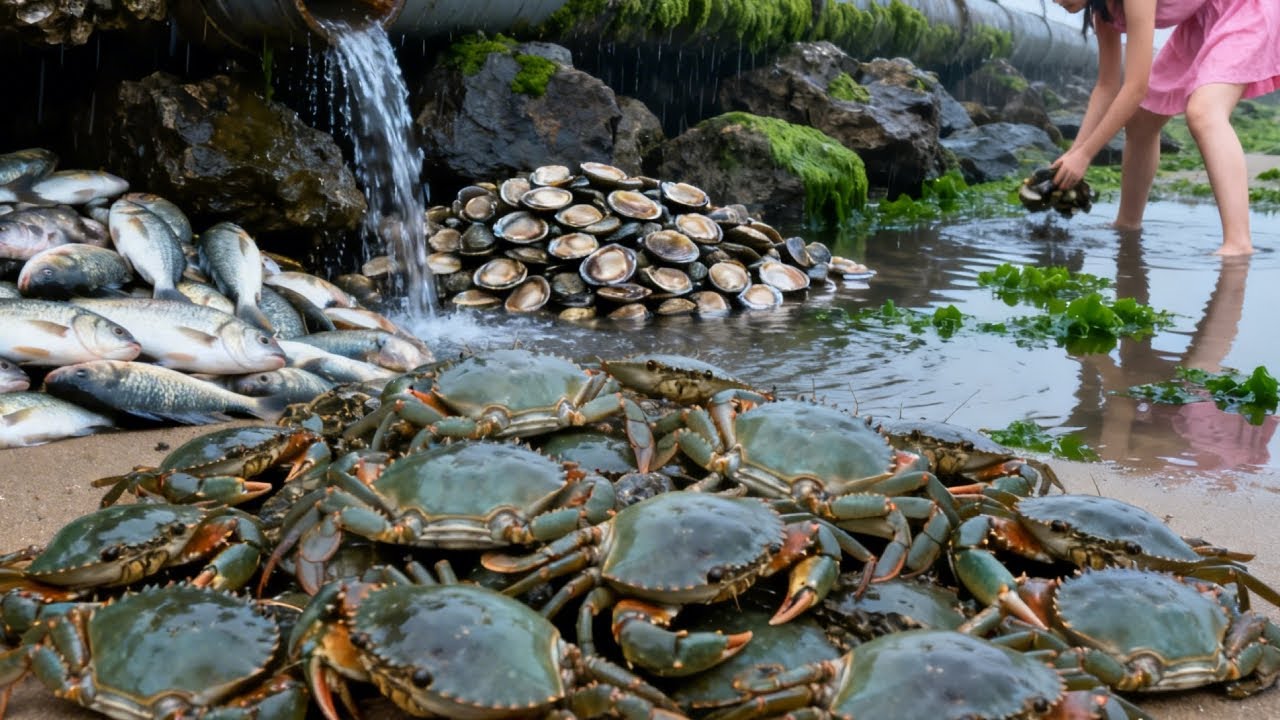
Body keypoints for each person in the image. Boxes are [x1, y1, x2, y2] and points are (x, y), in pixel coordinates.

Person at [1050, 0, 1280, 255]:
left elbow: (1135, 88)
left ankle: (1238, 243)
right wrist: (1075, 153)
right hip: (1201, 19)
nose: (1055, 0)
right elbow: (1107, 87)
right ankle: (1127, 223)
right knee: (1141, 120)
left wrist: (1085, 155)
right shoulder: (1103, 13)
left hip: (1244, 8)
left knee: (1204, 112)